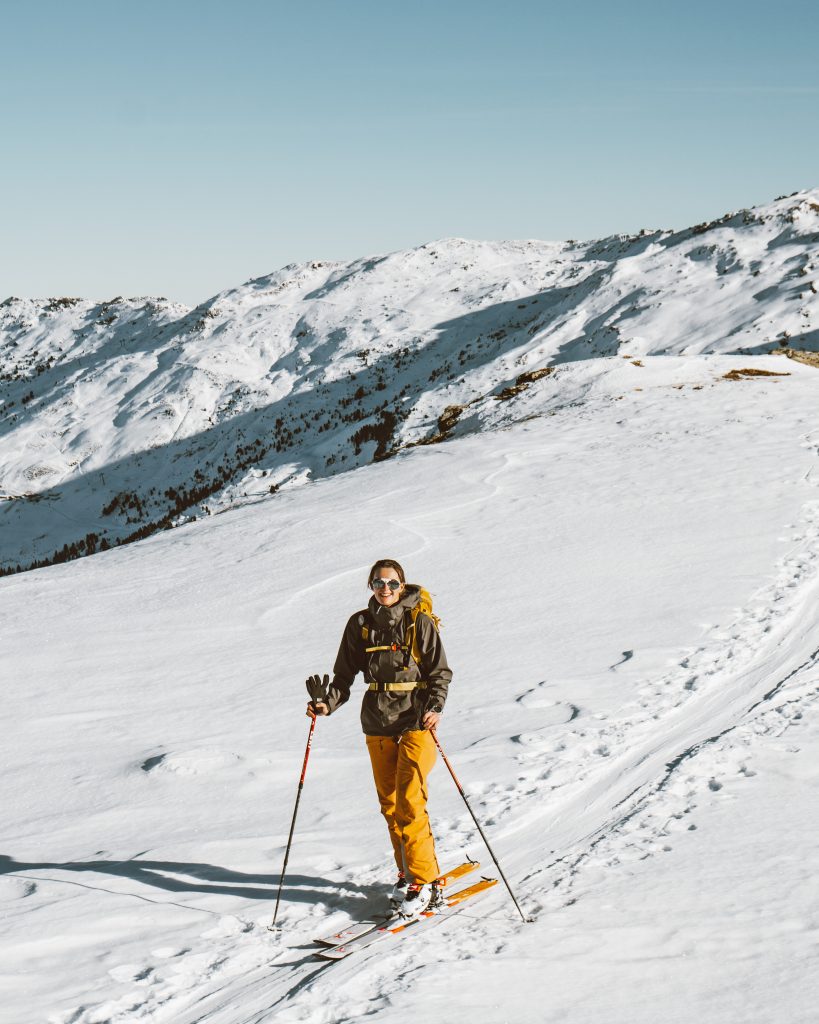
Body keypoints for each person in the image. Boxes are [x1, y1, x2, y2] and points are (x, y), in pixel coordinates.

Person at [306, 558, 452, 919]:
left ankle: (424, 880)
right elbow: (343, 677)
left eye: (392, 583)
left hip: (416, 718)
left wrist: (435, 705)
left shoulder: (419, 622)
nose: (385, 589)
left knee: (409, 801)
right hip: (376, 720)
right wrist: (326, 704)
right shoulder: (360, 625)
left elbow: (440, 672)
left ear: (403, 586)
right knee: (390, 804)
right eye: (378, 583)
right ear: (370, 586)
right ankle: (406, 872)